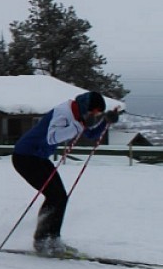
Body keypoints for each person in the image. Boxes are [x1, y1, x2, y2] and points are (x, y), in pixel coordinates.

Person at [11, 91, 119, 256]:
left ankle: (52, 239)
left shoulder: (78, 114)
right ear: (87, 107)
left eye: (97, 114)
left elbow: (90, 133)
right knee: (56, 196)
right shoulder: (64, 112)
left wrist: (105, 122)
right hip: (24, 157)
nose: (94, 115)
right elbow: (52, 138)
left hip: (38, 157)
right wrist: (79, 125)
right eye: (95, 112)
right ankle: (43, 241)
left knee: (60, 197)